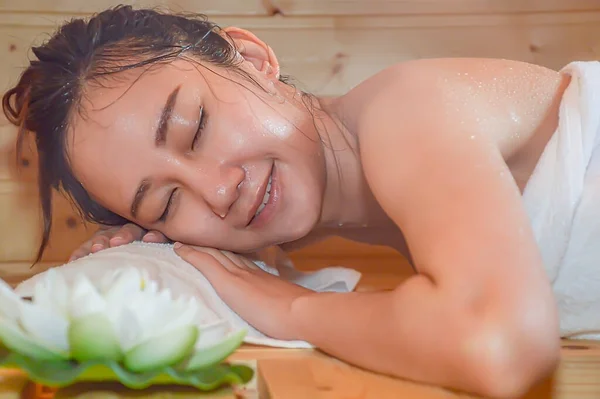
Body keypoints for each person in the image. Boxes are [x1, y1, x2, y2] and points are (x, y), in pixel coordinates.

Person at [8, 5, 598, 398]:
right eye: (165, 204)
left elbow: (501, 347)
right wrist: (150, 257)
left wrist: (287, 305)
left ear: (253, 60)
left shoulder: (408, 107)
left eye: (195, 128)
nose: (217, 191)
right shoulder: (331, 202)